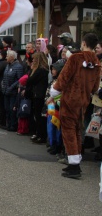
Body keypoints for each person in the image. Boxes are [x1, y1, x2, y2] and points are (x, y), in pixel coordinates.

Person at [50, 33, 101, 178]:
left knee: (69, 131)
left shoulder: (75, 58)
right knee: (77, 130)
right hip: (84, 101)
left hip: (70, 99)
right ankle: (75, 161)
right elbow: (95, 87)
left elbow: (64, 77)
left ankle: (74, 165)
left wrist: (54, 91)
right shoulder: (97, 62)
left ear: (84, 43)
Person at [25, 52, 49, 143]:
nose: (33, 61)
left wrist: (31, 70)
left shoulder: (40, 70)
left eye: (34, 59)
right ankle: (38, 134)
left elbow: (30, 80)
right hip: (37, 94)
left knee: (39, 116)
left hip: (40, 95)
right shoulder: (41, 70)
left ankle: (42, 136)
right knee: (37, 116)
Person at [1, 50, 24, 132]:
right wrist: (3, 86)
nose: (6, 57)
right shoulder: (8, 66)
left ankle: (13, 125)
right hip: (5, 91)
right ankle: (9, 124)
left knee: (12, 109)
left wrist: (11, 87)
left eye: (7, 56)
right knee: (7, 108)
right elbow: (4, 77)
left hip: (13, 92)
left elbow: (19, 80)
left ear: (12, 57)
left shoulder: (18, 66)